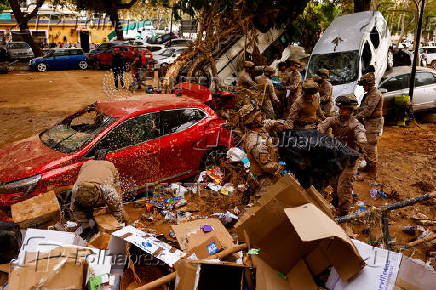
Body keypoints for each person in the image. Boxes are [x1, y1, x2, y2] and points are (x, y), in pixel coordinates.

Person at [318, 94, 367, 216]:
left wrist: (361, 139)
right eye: (340, 109)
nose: (341, 111)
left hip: (350, 160)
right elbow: (322, 127)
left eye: (344, 109)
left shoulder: (355, 124)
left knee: (344, 187)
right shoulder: (334, 120)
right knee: (333, 182)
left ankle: (343, 213)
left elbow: (360, 132)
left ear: (351, 111)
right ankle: (335, 203)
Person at [70, 159, 127, 231]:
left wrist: (116, 225)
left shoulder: (108, 191)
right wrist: (85, 224)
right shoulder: (76, 189)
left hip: (109, 167)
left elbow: (117, 211)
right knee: (85, 215)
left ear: (100, 197)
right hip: (87, 165)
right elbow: (74, 209)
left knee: (117, 201)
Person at [241, 104, 283, 188]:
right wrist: (282, 166)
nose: (262, 117)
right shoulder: (256, 143)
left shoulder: (258, 129)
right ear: (253, 121)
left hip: (270, 171)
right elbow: (267, 166)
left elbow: (267, 123)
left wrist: (277, 123)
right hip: (265, 180)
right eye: (259, 116)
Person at [355, 72, 384, 178]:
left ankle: (373, 172)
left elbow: (368, 111)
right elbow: (363, 107)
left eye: (364, 85)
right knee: (366, 146)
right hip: (369, 123)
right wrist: (355, 109)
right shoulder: (370, 94)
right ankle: (368, 166)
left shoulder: (375, 94)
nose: (363, 87)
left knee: (370, 146)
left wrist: (355, 117)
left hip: (373, 123)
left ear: (370, 84)